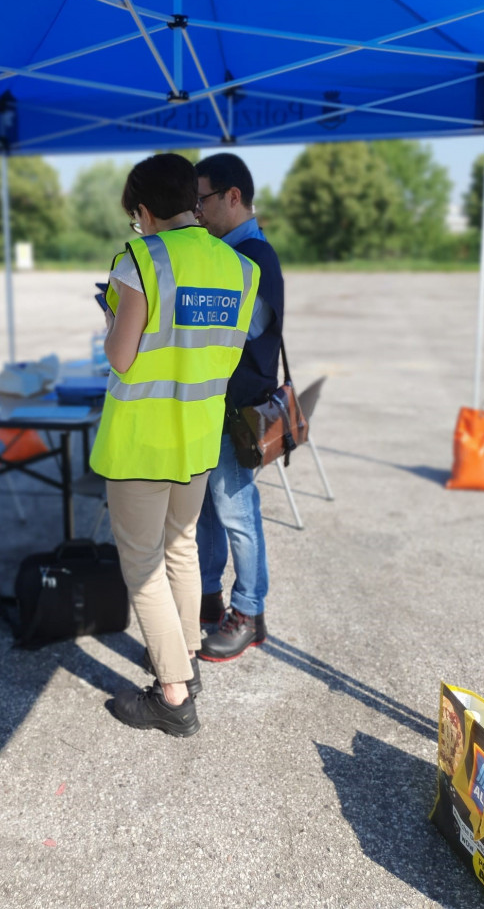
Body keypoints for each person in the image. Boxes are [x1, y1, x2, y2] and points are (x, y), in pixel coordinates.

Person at [90, 153, 260, 737]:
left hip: (141, 441)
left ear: (143, 210)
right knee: (181, 549)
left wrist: (111, 312)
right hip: (197, 436)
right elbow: (225, 353)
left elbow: (121, 355)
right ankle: (186, 658)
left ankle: (173, 696)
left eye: (135, 217)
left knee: (142, 567)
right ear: (191, 197)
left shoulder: (140, 259)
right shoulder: (238, 266)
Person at [194, 153, 284, 663]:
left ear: (232, 196)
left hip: (236, 410)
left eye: (202, 198)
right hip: (215, 407)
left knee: (237, 513)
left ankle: (249, 612)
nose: (197, 210)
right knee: (208, 512)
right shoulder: (231, 252)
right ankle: (208, 594)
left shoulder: (253, 257)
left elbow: (240, 332)